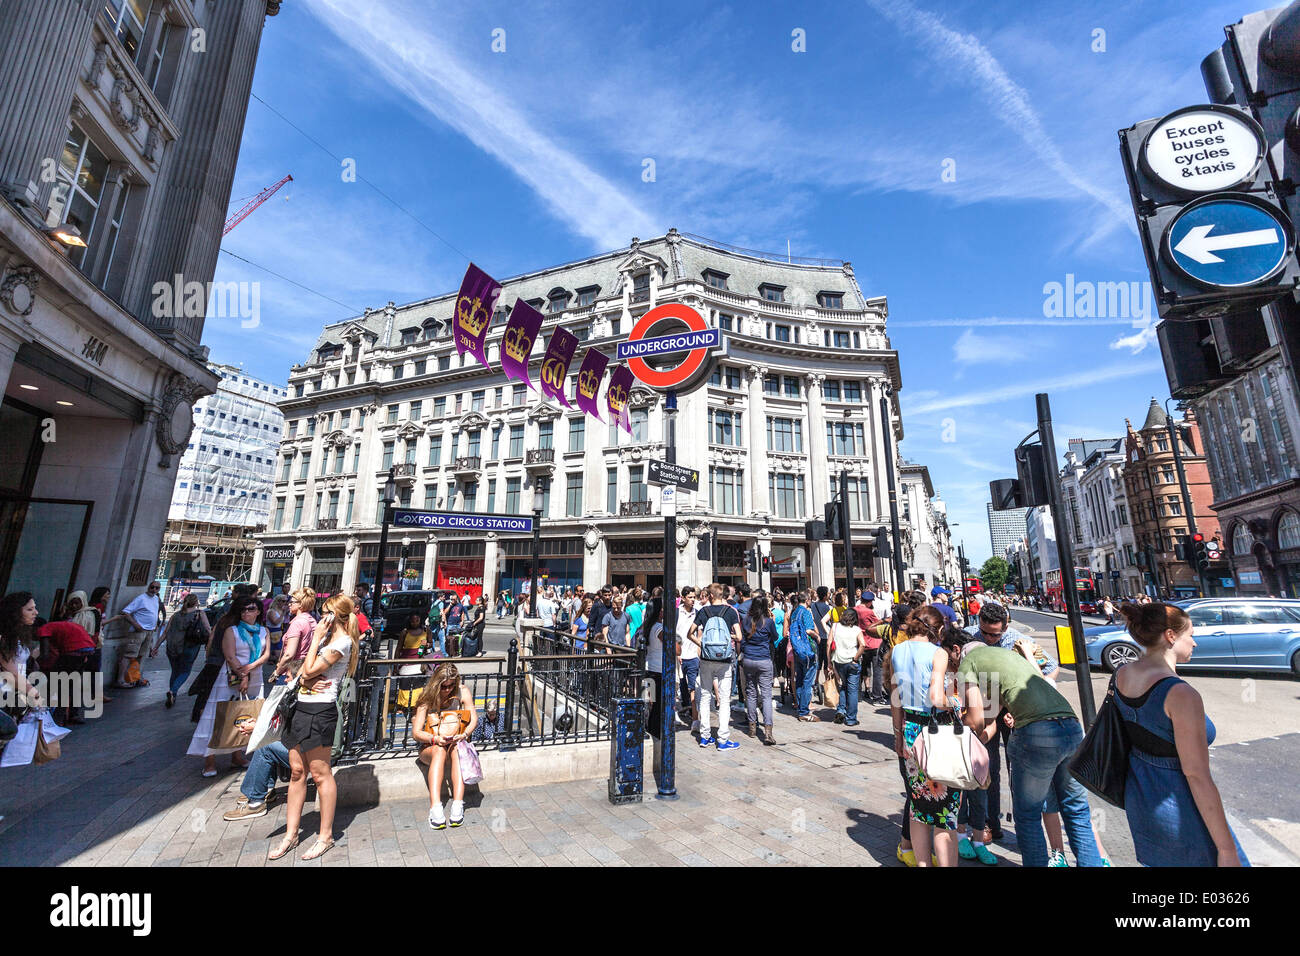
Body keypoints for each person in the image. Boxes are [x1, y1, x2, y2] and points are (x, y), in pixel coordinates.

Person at [1113, 603, 1248, 866]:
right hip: (1181, 808)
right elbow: (1196, 775)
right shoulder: (1181, 694)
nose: (1194, 643)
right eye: (1190, 635)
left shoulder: (1123, 674)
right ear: (1171, 636)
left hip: (1142, 800)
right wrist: (1227, 849)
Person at [956, 642, 1103, 868]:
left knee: (1028, 815)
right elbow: (990, 714)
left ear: (961, 653)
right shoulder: (1006, 658)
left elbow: (975, 720)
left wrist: (958, 731)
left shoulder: (969, 662)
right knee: (1077, 810)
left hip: (1037, 734)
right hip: (1071, 726)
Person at [272, 594, 361, 861]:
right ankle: (291, 833)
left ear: (336, 616)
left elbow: (309, 669)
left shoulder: (342, 643)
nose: (321, 618)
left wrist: (308, 668)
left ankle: (325, 836)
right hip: (300, 707)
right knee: (297, 771)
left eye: (326, 613)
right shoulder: (325, 639)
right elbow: (300, 673)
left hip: (321, 711)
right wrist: (305, 681)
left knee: (321, 774)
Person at [885, 606, 960, 867]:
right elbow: (937, 699)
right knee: (944, 810)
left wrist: (897, 734)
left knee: (918, 804)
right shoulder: (938, 653)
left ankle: (922, 863)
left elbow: (895, 699)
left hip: (909, 729)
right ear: (938, 629)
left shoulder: (897, 651)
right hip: (935, 731)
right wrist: (958, 702)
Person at [188, 595, 268, 777]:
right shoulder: (231, 630)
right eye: (244, 609)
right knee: (219, 715)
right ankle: (209, 760)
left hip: (254, 675)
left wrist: (250, 670)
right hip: (231, 677)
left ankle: (237, 755)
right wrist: (243, 675)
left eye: (251, 609)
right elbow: (230, 656)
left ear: (259, 611)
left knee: (244, 714)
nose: (247, 612)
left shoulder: (263, 631)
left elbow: (266, 654)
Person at [412, 662, 478, 829]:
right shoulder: (427, 697)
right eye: (444, 686)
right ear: (436, 683)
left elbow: (474, 719)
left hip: (455, 742)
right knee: (440, 751)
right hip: (431, 746)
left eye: (451, 686)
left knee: (457, 748)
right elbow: (416, 732)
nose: (447, 690)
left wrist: (464, 734)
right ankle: (436, 808)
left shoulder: (462, 691)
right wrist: (435, 739)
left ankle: (457, 804)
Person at [686, 583, 743, 750]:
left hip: (706, 658)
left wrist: (702, 643)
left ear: (710, 596)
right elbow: (739, 636)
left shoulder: (704, 612)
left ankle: (705, 737)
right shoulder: (731, 612)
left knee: (704, 696)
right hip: (724, 660)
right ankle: (723, 739)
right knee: (724, 700)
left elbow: (690, 633)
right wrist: (727, 636)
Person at [152, 593, 211, 709]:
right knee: (185, 671)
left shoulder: (175, 615)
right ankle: (173, 691)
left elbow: (165, 633)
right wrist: (210, 643)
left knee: (175, 671)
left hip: (172, 647)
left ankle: (172, 694)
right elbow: (208, 629)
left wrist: (156, 647)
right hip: (190, 646)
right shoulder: (199, 613)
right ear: (196, 602)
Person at [107, 581, 164, 688]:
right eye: (152, 587)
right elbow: (126, 612)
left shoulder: (156, 598)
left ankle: (134, 677)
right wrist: (135, 624)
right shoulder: (141, 598)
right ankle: (120, 680)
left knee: (141, 655)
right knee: (129, 654)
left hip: (149, 631)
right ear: (148, 587)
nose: (154, 590)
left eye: (157, 588)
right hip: (139, 631)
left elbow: (154, 612)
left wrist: (155, 624)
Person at [739, 594, 778, 745]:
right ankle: (768, 731)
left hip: (749, 659)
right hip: (763, 659)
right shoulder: (768, 622)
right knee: (767, 695)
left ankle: (752, 727)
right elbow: (775, 637)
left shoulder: (746, 620)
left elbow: (742, 640)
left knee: (751, 693)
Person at [222, 740, 291, 821]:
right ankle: (266, 789)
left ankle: (255, 803)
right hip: (305, 748)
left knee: (264, 747)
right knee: (270, 739)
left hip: (305, 752)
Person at [829, 606, 866, 726]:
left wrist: (829, 661)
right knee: (853, 691)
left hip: (839, 661)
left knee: (844, 686)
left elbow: (829, 643)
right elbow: (863, 644)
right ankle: (851, 718)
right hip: (852, 662)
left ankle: (841, 710)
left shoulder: (835, 626)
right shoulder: (856, 629)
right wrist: (856, 658)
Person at [272, 588, 317, 684]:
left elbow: (289, 654)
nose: (289, 604)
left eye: (292, 602)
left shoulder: (297, 623)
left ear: (301, 604)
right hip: (304, 666)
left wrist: (277, 672)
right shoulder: (311, 620)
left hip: (291, 670)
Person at [788, 591, 819, 721]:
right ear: (807, 600)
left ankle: (801, 707)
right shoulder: (805, 612)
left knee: (799, 679)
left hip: (797, 650)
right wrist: (817, 637)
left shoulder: (794, 612)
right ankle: (804, 712)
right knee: (807, 681)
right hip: (807, 651)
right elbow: (808, 630)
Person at [675, 586, 700, 731]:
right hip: (679, 655)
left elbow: (699, 633)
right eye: (690, 597)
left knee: (693, 687)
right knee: (678, 686)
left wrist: (698, 649)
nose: (692, 600)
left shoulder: (697, 613)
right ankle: (678, 713)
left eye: (693, 597)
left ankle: (695, 720)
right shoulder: (677, 613)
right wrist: (676, 653)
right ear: (683, 598)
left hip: (692, 656)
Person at [395, 612, 431, 711]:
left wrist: (427, 644)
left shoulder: (426, 630)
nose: (415, 623)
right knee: (404, 685)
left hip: (419, 662)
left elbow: (431, 644)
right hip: (405, 662)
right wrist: (395, 665)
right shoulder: (405, 632)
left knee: (418, 685)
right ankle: (403, 706)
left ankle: (415, 705)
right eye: (412, 621)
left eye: (417, 621)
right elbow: (398, 649)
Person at [810, 586, 832, 705]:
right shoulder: (827, 607)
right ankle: (827, 683)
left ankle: (816, 682)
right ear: (824, 596)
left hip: (816, 636)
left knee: (817, 660)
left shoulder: (813, 606)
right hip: (826, 635)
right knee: (826, 660)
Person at [265, 594, 288, 664]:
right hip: (271, 631)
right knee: (275, 653)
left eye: (286, 601)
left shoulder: (281, 610)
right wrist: (283, 613)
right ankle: (268, 659)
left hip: (278, 632)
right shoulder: (271, 611)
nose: (285, 603)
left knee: (278, 654)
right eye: (283, 601)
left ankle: (271, 659)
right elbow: (275, 622)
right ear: (278, 601)